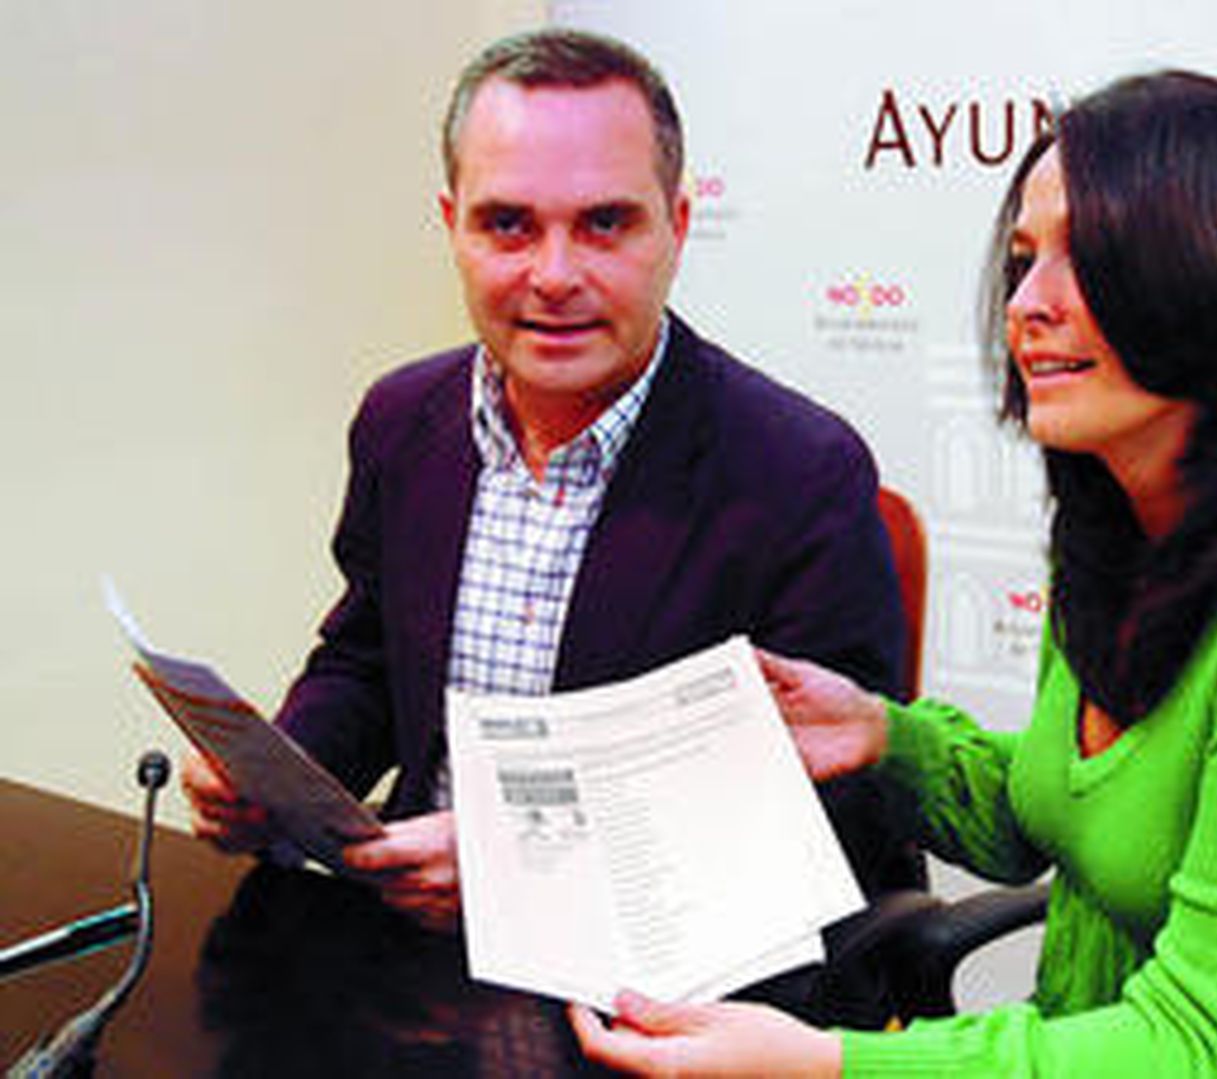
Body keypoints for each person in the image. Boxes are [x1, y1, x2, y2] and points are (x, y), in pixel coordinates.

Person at [571, 70, 1217, 1076]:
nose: (1024, 306)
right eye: (1020, 260)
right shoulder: (1119, 531)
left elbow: (1194, 1044)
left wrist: (827, 1063)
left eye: (1084, 259)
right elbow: (1051, 819)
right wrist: (882, 734)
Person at [179, 26, 917, 1028]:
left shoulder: (799, 470)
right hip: (405, 957)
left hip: (658, 997)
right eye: (509, 225)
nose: (554, 272)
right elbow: (364, 657)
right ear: (453, 225)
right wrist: (278, 771)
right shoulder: (402, 422)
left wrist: (509, 870)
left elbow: (815, 818)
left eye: (605, 223)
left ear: (679, 224)